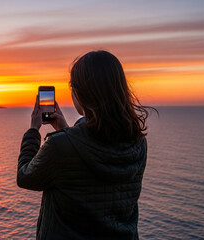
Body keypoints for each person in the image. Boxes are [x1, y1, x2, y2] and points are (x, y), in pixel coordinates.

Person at [17, 50, 155, 239]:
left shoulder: (61, 146)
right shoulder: (138, 142)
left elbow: (25, 177)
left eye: (73, 86)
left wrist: (33, 131)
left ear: (82, 93)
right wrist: (65, 130)